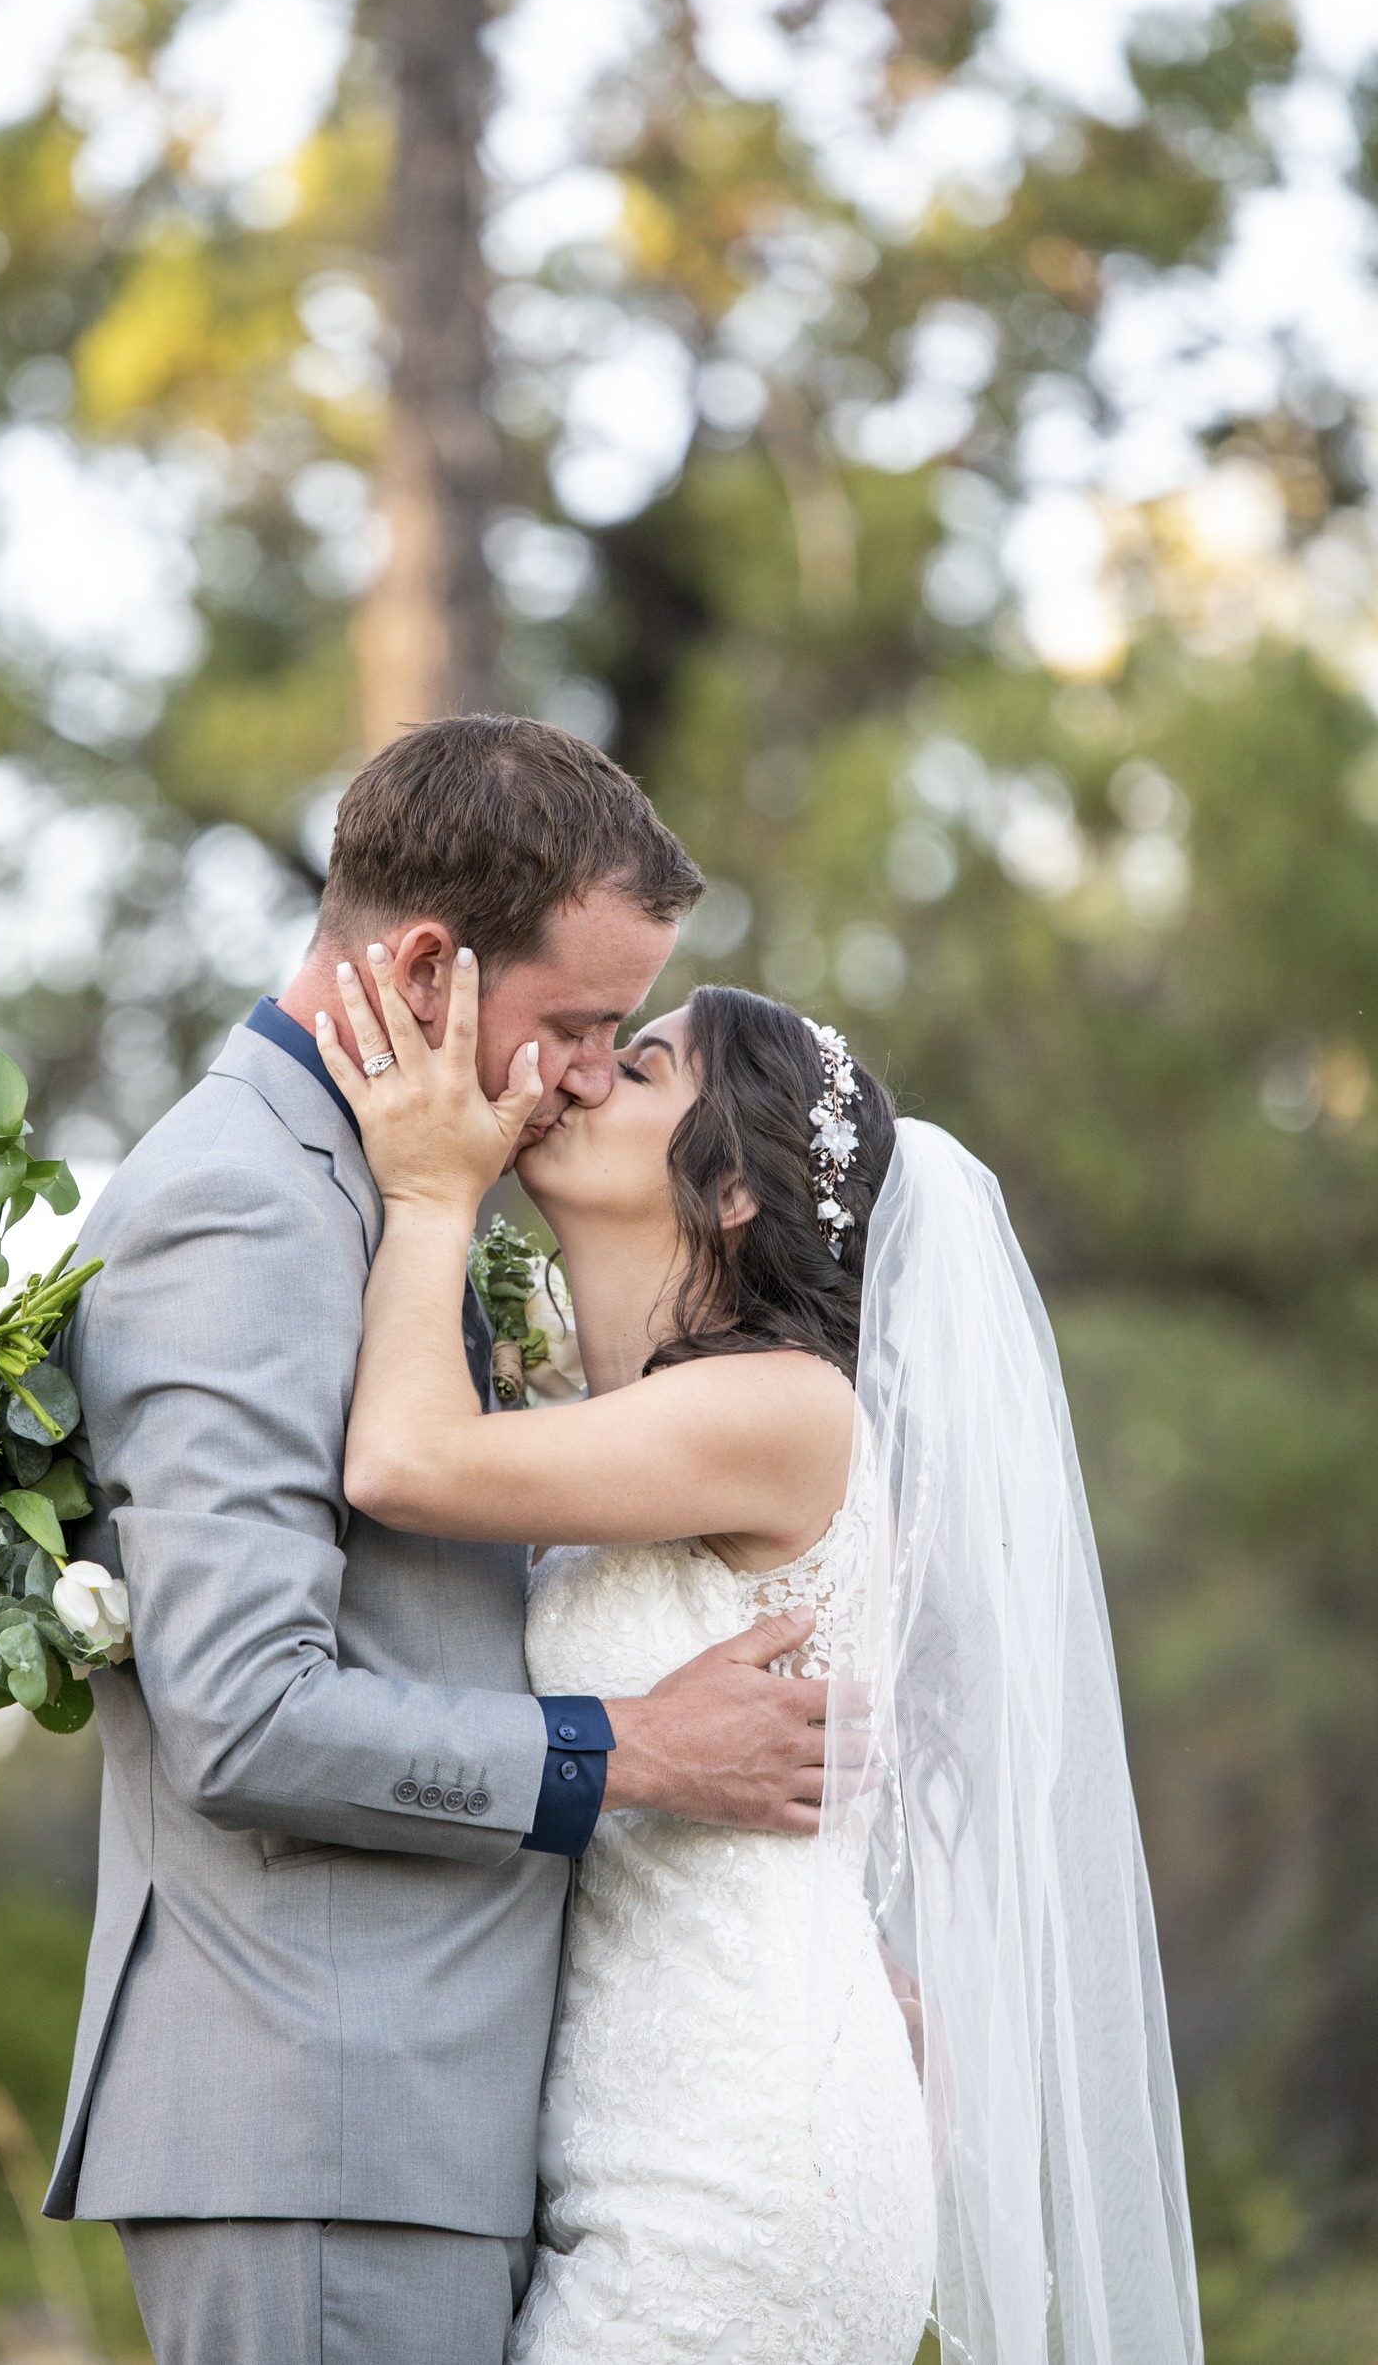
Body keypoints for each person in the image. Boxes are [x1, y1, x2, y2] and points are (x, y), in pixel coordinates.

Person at [42, 718, 845, 2365]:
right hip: (331, 2116)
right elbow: (247, 1714)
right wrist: (630, 1745)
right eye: (579, 1025)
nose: (575, 1075)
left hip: (421, 2125)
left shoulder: (386, 1197)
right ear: (426, 967)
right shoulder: (249, 1205)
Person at [314, 948, 1205, 2365]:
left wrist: (429, 1194)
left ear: (732, 1192)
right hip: (657, 2130)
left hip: (737, 2163)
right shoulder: (640, 1428)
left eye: (646, 1064)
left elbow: (405, 1458)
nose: (591, 1069)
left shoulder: (784, 1411)